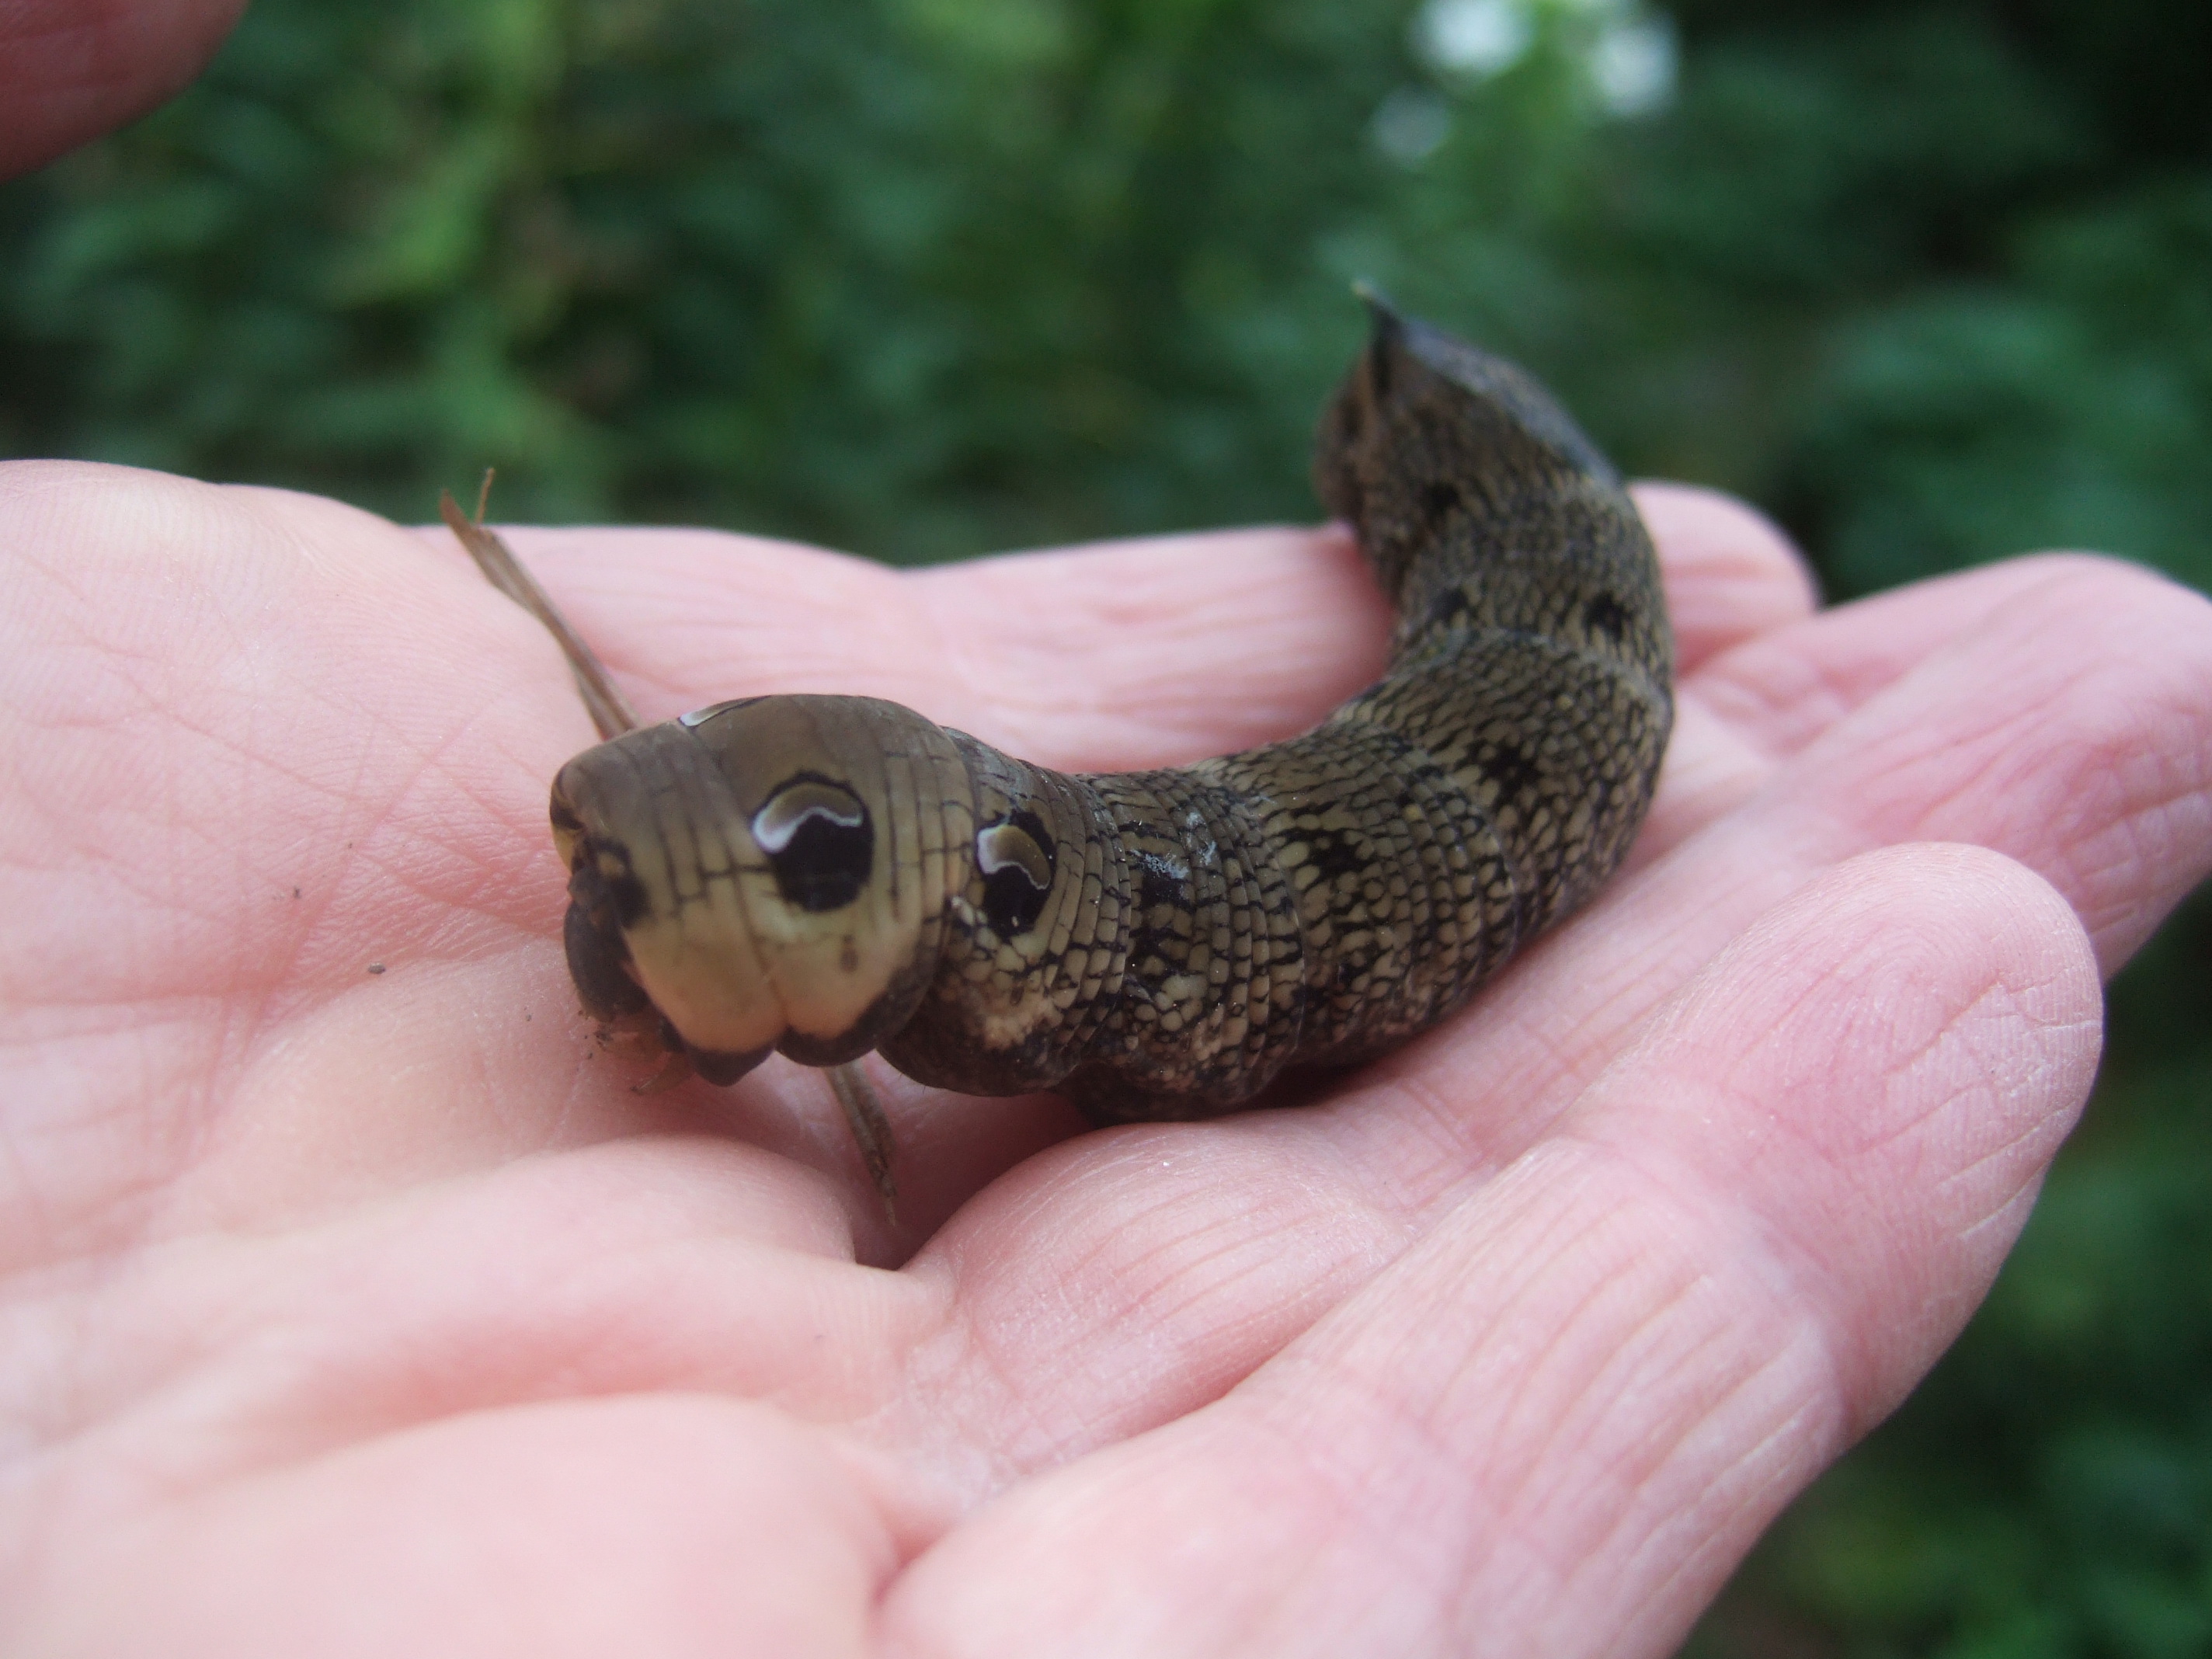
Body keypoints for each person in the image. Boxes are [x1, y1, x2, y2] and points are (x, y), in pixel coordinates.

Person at [4, 5, 2210, 1652]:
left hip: (1526, 644)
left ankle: (1439, 430)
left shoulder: (1161, 872)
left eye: (782, 879)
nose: (627, 932)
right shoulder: (960, 904)